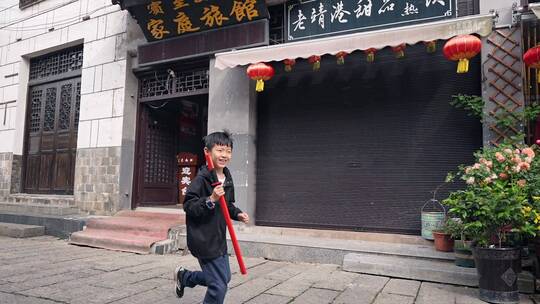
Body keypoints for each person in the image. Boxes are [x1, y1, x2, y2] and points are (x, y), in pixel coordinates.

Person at [174, 131, 249, 304]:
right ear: (207, 152)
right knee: (218, 285)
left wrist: (237, 213)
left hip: (218, 238)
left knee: (225, 277)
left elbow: (227, 205)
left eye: (228, 151)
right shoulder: (201, 180)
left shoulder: (227, 178)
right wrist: (210, 199)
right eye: (220, 150)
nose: (224, 155)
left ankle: (185, 277)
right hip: (203, 239)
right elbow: (189, 206)